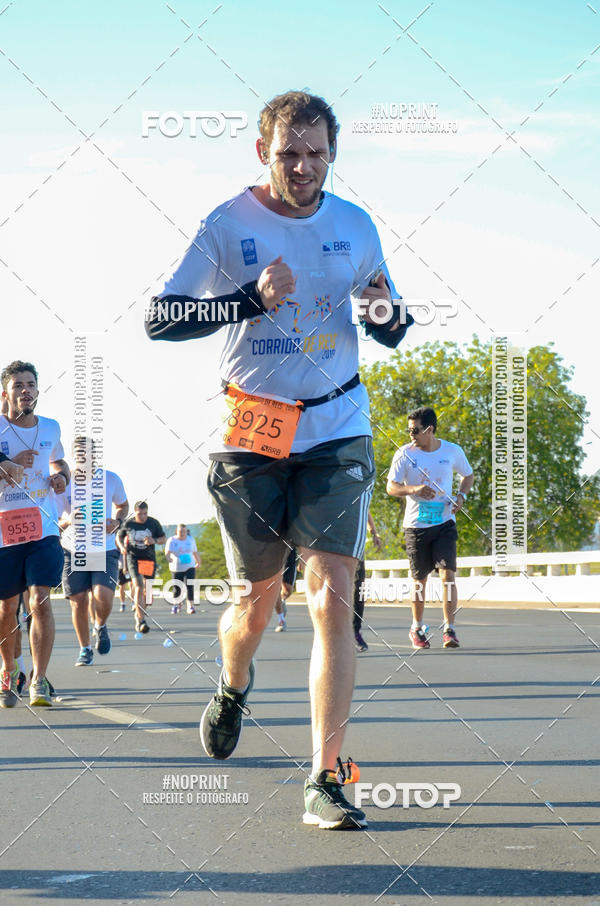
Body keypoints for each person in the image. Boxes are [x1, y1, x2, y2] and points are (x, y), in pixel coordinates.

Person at [145, 90, 413, 830]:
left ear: (333, 155)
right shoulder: (228, 224)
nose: (303, 167)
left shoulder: (355, 225)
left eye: (316, 153)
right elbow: (160, 317)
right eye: (288, 152)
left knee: (331, 591)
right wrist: (244, 300)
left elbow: (391, 319)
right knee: (256, 605)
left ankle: (326, 777)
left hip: (337, 427)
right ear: (263, 152)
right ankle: (233, 683)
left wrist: (387, 315)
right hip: (252, 437)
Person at [0, 361, 69, 707]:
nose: (25, 390)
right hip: (3, 530)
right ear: (5, 394)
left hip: (43, 526)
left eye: (30, 384)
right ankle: (9, 669)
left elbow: (58, 462)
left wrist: (62, 478)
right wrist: (7, 467)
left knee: (39, 598)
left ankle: (39, 680)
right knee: (6, 608)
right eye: (17, 385)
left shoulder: (51, 428)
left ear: (38, 391)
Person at [386, 406, 474, 650]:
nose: (411, 435)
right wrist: (412, 489)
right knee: (420, 580)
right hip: (416, 526)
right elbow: (391, 487)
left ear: (430, 429)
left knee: (448, 576)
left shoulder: (452, 451)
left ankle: (450, 629)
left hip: (445, 522)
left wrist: (461, 496)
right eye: (409, 430)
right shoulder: (404, 454)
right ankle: (417, 627)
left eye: (415, 431)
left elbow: (468, 475)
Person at [57, 437, 128, 666]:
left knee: (102, 596)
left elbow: (123, 505)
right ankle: (85, 649)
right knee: (78, 601)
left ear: (94, 454)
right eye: (79, 453)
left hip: (103, 548)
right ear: (73, 456)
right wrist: (67, 520)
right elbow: (54, 517)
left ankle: (100, 625)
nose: (83, 457)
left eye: (87, 453)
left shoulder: (110, 479)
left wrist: (116, 523)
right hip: (73, 549)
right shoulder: (65, 483)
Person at [117, 502, 165, 634]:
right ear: (135, 512)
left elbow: (163, 538)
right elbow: (119, 536)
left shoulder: (153, 523)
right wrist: (122, 547)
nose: (143, 516)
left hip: (148, 559)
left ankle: (140, 612)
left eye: (145, 513)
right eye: (140, 514)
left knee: (148, 597)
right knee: (139, 586)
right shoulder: (129, 524)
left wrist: (154, 541)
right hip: (133, 558)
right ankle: (141, 620)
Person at [353, 512, 382, 652]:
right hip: (331, 544)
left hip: (355, 546)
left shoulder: (358, 490)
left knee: (358, 588)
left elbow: (365, 510)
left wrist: (374, 533)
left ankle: (354, 632)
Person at [165, 523, 201, 614]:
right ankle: (176, 604)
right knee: (177, 587)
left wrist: (198, 562)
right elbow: (167, 552)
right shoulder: (172, 540)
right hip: (176, 567)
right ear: (176, 531)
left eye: (184, 531)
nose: (182, 533)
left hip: (190, 566)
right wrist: (168, 557)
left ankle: (190, 606)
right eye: (180, 531)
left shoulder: (190, 539)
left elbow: (195, 552)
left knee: (190, 586)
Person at [274, 546, 297, 632]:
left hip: (289, 556)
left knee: (287, 591)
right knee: (275, 588)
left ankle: (282, 601)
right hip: (272, 556)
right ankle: (281, 620)